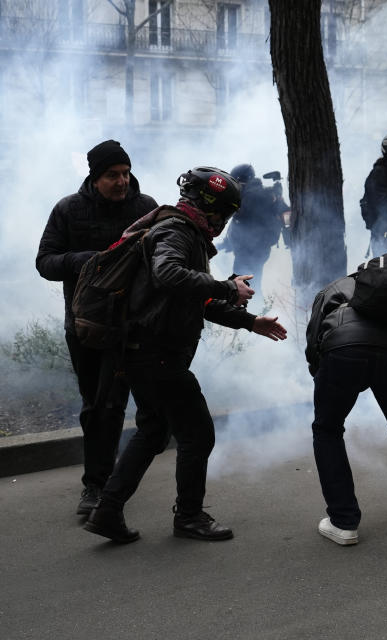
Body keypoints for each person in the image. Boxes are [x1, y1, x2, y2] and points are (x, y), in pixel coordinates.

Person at [83, 167, 288, 544]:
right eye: (225, 213)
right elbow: (169, 276)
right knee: (197, 434)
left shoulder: (179, 228)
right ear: (212, 208)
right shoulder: (176, 231)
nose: (225, 223)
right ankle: (189, 517)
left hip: (143, 350)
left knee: (153, 429)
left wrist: (248, 321)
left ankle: (108, 510)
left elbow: (194, 299)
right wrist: (228, 288)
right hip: (157, 353)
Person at [36, 140, 159, 518]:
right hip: (86, 327)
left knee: (136, 407)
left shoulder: (146, 208)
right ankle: (96, 487)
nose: (121, 182)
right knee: (98, 406)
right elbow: (45, 262)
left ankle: (115, 485)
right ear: (94, 176)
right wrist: (82, 261)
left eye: (125, 173)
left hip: (134, 325)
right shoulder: (69, 210)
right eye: (112, 175)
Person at [304, 254, 387, 546]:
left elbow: (314, 338)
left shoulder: (333, 288)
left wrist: (323, 376)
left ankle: (343, 522)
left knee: (327, 429)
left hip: (342, 351)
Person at [221, 163, 287, 295]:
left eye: (236, 182)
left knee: (242, 286)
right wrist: (227, 243)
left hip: (251, 250)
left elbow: (242, 217)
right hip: (250, 249)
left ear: (241, 180)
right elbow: (244, 224)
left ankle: (250, 311)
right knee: (248, 283)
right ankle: (253, 309)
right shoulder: (253, 194)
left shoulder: (253, 196)